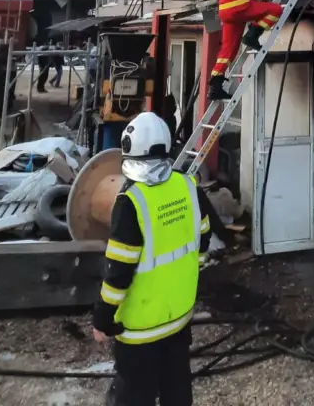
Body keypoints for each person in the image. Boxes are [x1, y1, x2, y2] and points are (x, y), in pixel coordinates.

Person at [92, 111, 210, 406]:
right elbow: (203, 241)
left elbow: (119, 272)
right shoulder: (188, 186)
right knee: (177, 391)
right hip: (179, 318)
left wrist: (102, 317)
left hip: (140, 330)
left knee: (135, 396)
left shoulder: (131, 202)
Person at [210, 0, 283, 101]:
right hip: (239, 6)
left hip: (226, 10)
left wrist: (257, 0)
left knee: (228, 50)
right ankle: (252, 35)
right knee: (276, 10)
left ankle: (215, 86)